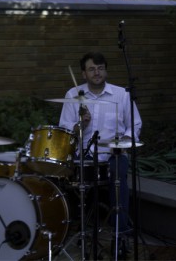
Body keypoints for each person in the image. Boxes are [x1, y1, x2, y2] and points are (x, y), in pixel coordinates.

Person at [59, 52, 142, 234]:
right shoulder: (73, 94)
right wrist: (80, 125)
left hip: (113, 155)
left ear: (106, 71)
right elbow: (64, 131)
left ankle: (120, 231)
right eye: (91, 69)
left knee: (118, 173)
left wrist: (122, 144)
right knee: (60, 172)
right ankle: (73, 225)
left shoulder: (121, 95)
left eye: (100, 68)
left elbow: (135, 124)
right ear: (84, 74)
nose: (97, 73)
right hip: (84, 155)